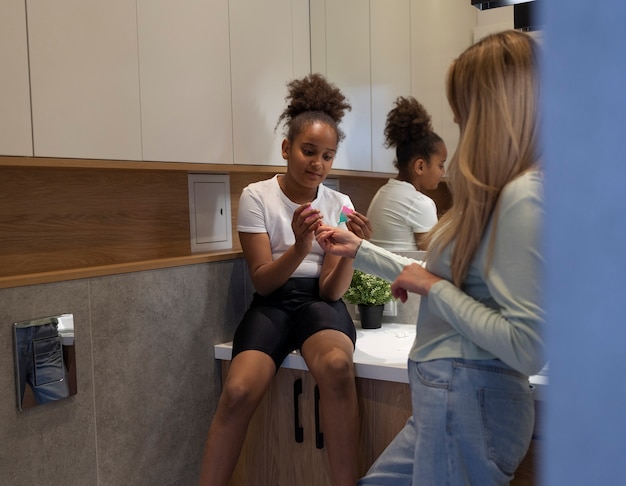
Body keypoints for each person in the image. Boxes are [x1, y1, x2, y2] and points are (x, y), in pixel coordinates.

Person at [315, 30, 545, 485]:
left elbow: (528, 346)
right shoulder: (496, 196)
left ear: (492, 111)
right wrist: (360, 251)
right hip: (450, 397)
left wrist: (433, 288)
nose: (457, 120)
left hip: (469, 398)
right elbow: (435, 277)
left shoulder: (522, 198)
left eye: (463, 110)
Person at [198, 73, 372, 486]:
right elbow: (262, 283)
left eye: (328, 156)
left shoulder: (340, 203)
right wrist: (299, 245)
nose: (318, 164)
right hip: (274, 301)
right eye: (309, 151)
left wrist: (351, 252)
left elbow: (331, 291)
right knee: (238, 391)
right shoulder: (257, 196)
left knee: (335, 367)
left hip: (321, 304)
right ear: (286, 148)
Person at [366, 96, 447, 251]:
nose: (443, 172)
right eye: (441, 165)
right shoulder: (420, 203)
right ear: (420, 166)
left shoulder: (382, 192)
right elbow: (433, 259)